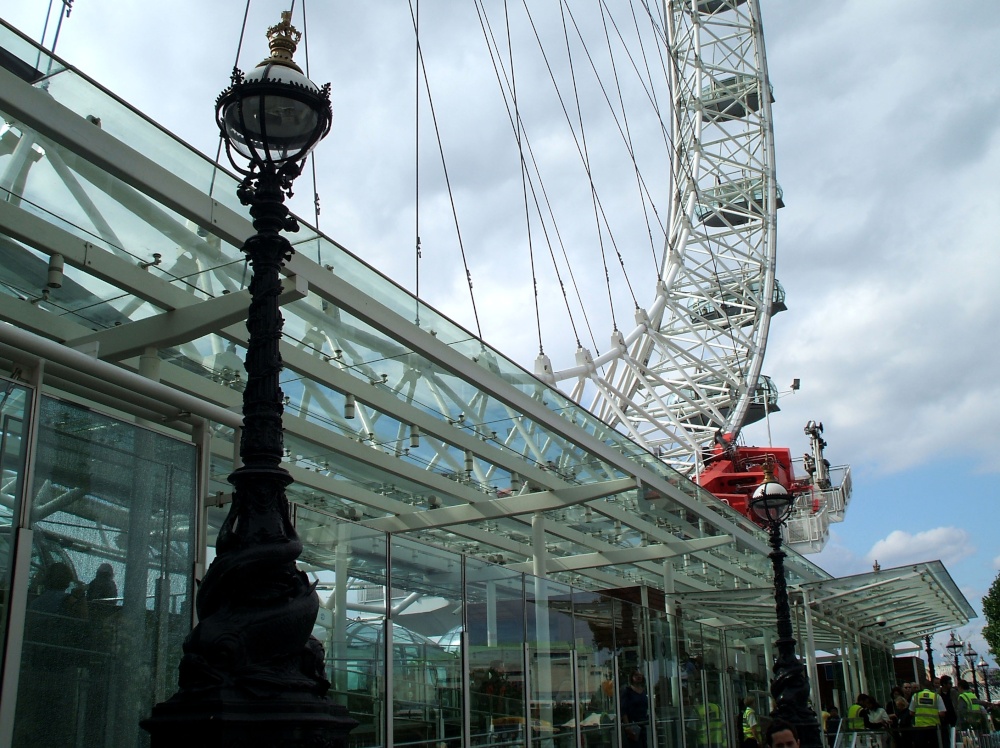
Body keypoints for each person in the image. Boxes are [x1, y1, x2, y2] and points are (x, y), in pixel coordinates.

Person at [909, 681, 946, 748]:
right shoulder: (936, 696)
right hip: (933, 727)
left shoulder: (915, 696)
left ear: (921, 687)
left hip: (919, 727)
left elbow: (911, 712)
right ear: (931, 687)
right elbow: (942, 713)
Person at [620, 670, 649, 747]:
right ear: (632, 677)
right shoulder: (627, 691)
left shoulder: (644, 691)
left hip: (644, 723)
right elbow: (623, 709)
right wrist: (627, 726)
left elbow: (648, 707)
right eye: (636, 675)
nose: (639, 676)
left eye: (640, 675)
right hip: (633, 724)